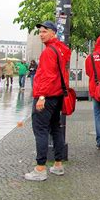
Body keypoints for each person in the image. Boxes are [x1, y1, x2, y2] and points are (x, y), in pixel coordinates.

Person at [24, 21, 71, 181]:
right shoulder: (61, 49)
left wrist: (41, 96)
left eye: (45, 31)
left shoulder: (48, 52)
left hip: (47, 96)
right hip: (57, 96)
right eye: (40, 32)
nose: (41, 34)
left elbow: (47, 76)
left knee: (41, 130)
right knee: (55, 129)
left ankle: (40, 168)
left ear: (53, 33)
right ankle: (58, 165)